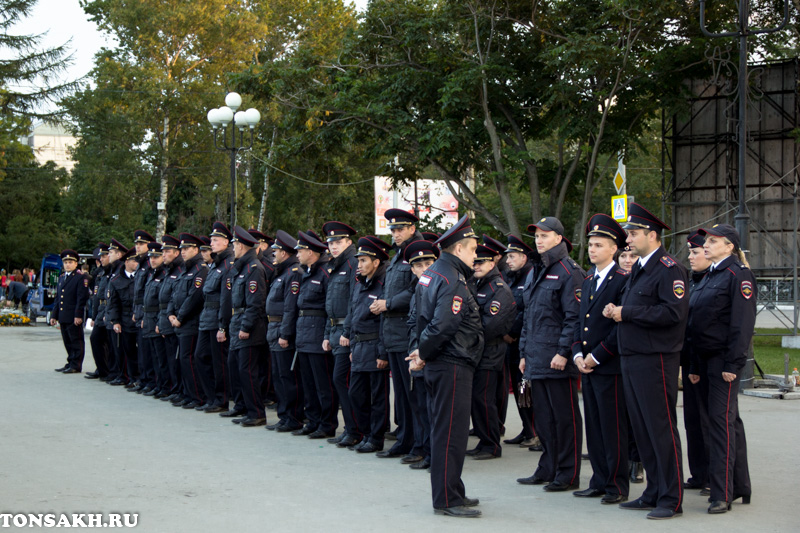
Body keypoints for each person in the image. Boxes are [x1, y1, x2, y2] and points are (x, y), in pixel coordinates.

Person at [603, 202, 689, 520]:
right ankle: (653, 491)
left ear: (652, 235)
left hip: (655, 360)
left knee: (661, 428)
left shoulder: (669, 269)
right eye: (628, 232)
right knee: (642, 430)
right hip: (633, 357)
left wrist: (627, 312)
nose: (628, 239)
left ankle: (671, 496)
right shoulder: (639, 268)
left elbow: (673, 313)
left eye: (634, 232)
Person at [406, 215, 484, 518]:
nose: (476, 255)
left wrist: (422, 351)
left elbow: (424, 318)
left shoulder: (435, 273)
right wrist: (423, 353)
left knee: (446, 430)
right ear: (460, 249)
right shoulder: (450, 277)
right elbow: (442, 325)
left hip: (444, 360)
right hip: (451, 362)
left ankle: (454, 490)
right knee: (450, 433)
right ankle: (447, 499)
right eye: (474, 249)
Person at [687, 224, 755, 514]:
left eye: (714, 241)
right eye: (707, 241)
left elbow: (741, 326)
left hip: (722, 363)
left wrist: (733, 364)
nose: (707, 245)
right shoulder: (708, 276)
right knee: (723, 422)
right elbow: (694, 325)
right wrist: (692, 363)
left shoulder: (737, 276)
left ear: (730, 246)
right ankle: (739, 486)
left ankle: (721, 493)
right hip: (702, 362)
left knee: (721, 425)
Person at [517, 217, 584, 492]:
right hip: (535, 357)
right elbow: (529, 317)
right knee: (543, 418)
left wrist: (563, 352)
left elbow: (574, 318)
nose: (539, 240)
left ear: (559, 238)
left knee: (565, 419)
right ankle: (548, 467)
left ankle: (568, 473)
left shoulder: (570, 272)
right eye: (537, 236)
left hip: (557, 360)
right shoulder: (536, 271)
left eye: (545, 236)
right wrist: (523, 352)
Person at [571, 214, 630, 505]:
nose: (592, 250)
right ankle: (598, 479)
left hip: (609, 367)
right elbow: (579, 323)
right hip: (588, 366)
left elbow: (621, 329)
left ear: (613, 249)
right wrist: (578, 354)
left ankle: (616, 485)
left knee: (612, 428)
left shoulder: (622, 281)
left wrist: (595, 357)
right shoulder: (588, 280)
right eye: (591, 245)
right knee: (593, 427)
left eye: (598, 245)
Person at [374, 208, 423, 460]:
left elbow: (416, 290)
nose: (395, 234)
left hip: (407, 331)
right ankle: (404, 440)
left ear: (412, 229)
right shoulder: (396, 258)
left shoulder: (418, 254)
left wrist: (388, 303)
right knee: (402, 394)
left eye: (400, 229)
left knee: (414, 394)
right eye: (392, 230)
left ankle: (418, 444)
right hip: (393, 332)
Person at [466, 244, 515, 460]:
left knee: (484, 398)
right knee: (476, 398)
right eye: (474, 262)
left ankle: (492, 444)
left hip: (490, 349)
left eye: (481, 262)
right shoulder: (477, 284)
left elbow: (491, 324)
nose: (476, 266)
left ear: (492, 263)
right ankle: (483, 439)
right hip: (477, 350)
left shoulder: (498, 289)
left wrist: (468, 333)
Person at [343, 235, 392, 453]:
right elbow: (353, 316)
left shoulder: (384, 284)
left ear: (376, 262)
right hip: (360, 347)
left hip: (375, 347)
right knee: (357, 393)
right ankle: (364, 432)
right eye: (358, 260)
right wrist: (353, 346)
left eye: (363, 261)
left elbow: (384, 322)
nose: (359, 265)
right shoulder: (360, 284)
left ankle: (376, 437)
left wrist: (382, 353)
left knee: (377, 397)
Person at [293, 230, 337, 438]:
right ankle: (312, 420)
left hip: (318, 332)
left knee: (323, 384)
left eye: (300, 250)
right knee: (308, 383)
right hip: (304, 333)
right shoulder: (307, 272)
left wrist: (326, 335)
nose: (297, 254)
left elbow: (329, 306)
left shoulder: (325, 272)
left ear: (310, 252)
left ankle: (326, 423)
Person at [320, 221, 359, 446]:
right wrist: (327, 333)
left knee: (342, 380)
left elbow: (355, 301)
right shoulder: (335, 265)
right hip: (335, 330)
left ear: (348, 242)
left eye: (338, 242)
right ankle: (350, 429)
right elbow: (330, 304)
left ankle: (355, 430)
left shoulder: (353, 263)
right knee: (340, 381)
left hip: (346, 332)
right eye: (331, 242)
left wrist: (347, 331)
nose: (334, 246)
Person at [404, 239, 440, 470]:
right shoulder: (418, 288)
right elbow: (412, 324)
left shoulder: (439, 286)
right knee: (421, 408)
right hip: (418, 355)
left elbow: (438, 325)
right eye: (418, 265)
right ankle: (425, 450)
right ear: (412, 269)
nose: (424, 268)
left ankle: (434, 455)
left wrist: (422, 352)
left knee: (433, 409)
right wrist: (413, 351)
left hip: (432, 356)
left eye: (428, 263)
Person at [227, 225, 269, 427]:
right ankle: (245, 407)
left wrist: (245, 327)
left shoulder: (254, 268)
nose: (233, 247)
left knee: (248, 371)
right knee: (237, 368)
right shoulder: (243, 267)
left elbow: (255, 302)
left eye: (235, 244)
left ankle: (257, 413)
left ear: (241, 246)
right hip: (238, 323)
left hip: (250, 328)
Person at [501, 235, 539, 450]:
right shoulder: (512, 277)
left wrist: (511, 332)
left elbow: (525, 311)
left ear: (524, 257)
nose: (508, 260)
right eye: (508, 256)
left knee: (525, 388)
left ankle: (533, 430)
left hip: (521, 342)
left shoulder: (529, 277)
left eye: (512, 256)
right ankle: (527, 428)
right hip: (511, 343)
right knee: (518, 387)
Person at [263, 230, 304, 431]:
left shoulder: (293, 273)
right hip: (273, 327)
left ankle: (293, 418)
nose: (273, 254)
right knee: (278, 376)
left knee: (288, 378)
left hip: (281, 329)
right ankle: (283, 416)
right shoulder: (281, 273)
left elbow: (290, 306)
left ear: (285, 253)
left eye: (276, 251)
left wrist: (285, 334)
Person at [681, 230, 712, 495]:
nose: (690, 257)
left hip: (706, 361)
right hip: (689, 360)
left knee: (708, 420)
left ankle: (714, 475)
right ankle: (699, 473)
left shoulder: (714, 282)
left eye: (695, 252)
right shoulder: (693, 282)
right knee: (692, 419)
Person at [196, 222, 235, 413]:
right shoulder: (216, 263)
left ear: (226, 242)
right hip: (207, 317)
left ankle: (221, 399)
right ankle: (211, 396)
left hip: (217, 318)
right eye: (211, 239)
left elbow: (226, 298)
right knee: (201, 356)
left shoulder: (228, 264)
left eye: (216, 240)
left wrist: (222, 325)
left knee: (219, 362)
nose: (211, 243)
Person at [170, 233, 209, 409]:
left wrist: (180, 317)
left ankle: (197, 396)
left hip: (190, 322)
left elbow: (194, 298)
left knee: (189, 359)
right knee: (182, 359)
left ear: (196, 249)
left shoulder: (201, 269)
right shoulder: (186, 269)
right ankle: (187, 393)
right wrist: (171, 313)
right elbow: (175, 293)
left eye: (186, 249)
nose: (183, 252)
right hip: (180, 321)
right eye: (182, 249)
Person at [615, 244, 644, 484]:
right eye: (623, 256)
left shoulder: (637, 281)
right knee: (621, 413)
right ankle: (622, 457)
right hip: (614, 355)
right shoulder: (617, 280)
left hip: (634, 352)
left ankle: (637, 461)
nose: (627, 260)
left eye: (631, 255)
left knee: (636, 414)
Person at [52, 249, 89, 374]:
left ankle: (76, 364)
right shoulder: (62, 277)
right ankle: (70, 361)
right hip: (63, 315)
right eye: (65, 262)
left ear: (75, 264)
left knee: (76, 340)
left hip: (73, 315)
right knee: (67, 340)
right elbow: (58, 298)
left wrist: (78, 315)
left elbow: (81, 297)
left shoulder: (80, 277)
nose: (67, 264)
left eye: (70, 262)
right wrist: (54, 315)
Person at [106, 247, 139, 386]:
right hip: (125, 319)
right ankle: (130, 377)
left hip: (139, 318)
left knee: (142, 352)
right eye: (133, 261)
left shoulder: (141, 276)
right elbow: (113, 303)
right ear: (126, 262)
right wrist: (115, 321)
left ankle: (140, 378)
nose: (136, 263)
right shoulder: (116, 280)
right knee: (128, 350)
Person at [157, 235, 184, 402]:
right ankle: (173, 388)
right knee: (168, 358)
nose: (164, 255)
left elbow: (176, 298)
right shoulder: (169, 270)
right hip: (167, 318)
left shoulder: (180, 270)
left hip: (177, 320)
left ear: (176, 253)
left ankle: (178, 389)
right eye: (163, 251)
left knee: (176, 358)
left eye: (167, 252)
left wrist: (174, 317)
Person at [130, 230, 157, 394]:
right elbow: (138, 293)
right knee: (142, 348)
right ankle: (144, 379)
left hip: (147, 311)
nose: (137, 247)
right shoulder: (141, 264)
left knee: (147, 350)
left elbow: (148, 292)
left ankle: (149, 381)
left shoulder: (149, 264)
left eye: (141, 244)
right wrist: (136, 311)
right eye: (136, 244)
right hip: (140, 310)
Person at [141, 242, 168, 397]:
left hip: (158, 318)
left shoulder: (164, 274)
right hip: (149, 318)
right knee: (153, 355)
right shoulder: (153, 274)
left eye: (157, 257)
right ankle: (156, 384)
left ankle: (164, 385)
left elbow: (161, 302)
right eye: (151, 257)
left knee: (161, 357)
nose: (153, 260)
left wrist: (159, 321)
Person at [86, 243, 112, 381]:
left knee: (103, 340)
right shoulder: (100, 273)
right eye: (100, 257)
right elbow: (96, 296)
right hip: (101, 311)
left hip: (108, 311)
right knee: (96, 339)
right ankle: (101, 369)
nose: (101, 259)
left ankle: (106, 370)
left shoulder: (112, 272)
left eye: (104, 256)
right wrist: (94, 315)